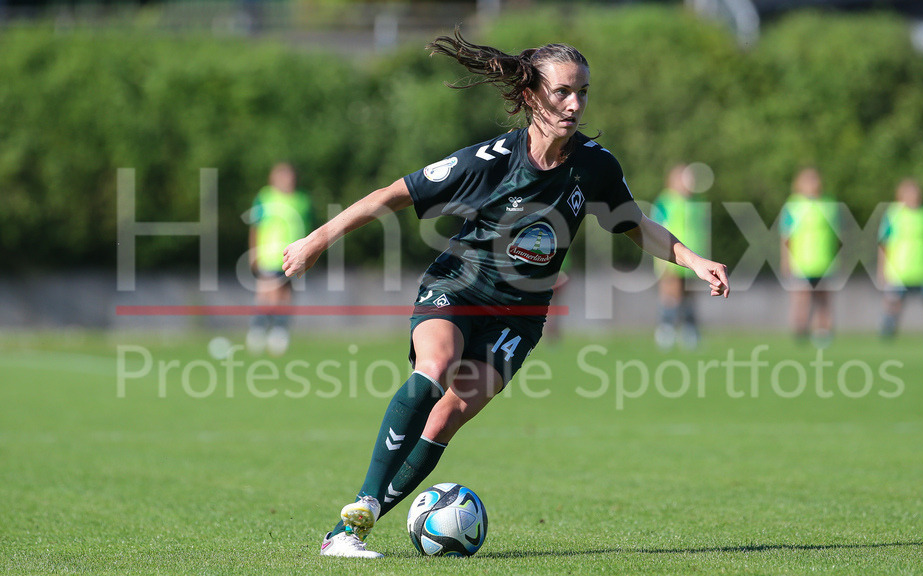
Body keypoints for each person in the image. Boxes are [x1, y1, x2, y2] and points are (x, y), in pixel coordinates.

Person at [282, 31, 730, 559]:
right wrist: (314, 241)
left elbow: (636, 226)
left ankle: (357, 524)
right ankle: (355, 512)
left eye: (583, 92)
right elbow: (392, 195)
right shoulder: (489, 160)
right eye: (563, 91)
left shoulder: (595, 166)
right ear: (531, 95)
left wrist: (694, 260)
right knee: (435, 367)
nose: (575, 104)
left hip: (519, 318)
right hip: (458, 287)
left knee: (449, 416)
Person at [247, 162, 313, 356]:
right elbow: (255, 226)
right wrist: (254, 252)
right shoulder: (265, 197)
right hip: (269, 254)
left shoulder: (303, 200)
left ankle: (279, 332)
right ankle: (258, 331)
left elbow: (309, 228)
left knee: (286, 296)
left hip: (294, 255)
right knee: (268, 294)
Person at [878, 178, 923, 340]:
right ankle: (887, 338)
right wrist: (881, 269)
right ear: (901, 195)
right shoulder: (893, 214)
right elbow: (884, 244)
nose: (913, 196)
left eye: (915, 192)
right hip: (899, 271)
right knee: (893, 306)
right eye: (909, 193)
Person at [651, 164, 711, 350]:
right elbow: (654, 228)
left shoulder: (697, 201)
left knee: (689, 294)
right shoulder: (666, 201)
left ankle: (690, 330)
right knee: (671, 293)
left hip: (694, 256)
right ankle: (666, 329)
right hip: (670, 255)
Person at [780, 167, 840, 348]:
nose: (813, 184)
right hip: (801, 262)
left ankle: (822, 334)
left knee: (823, 300)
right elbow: (786, 237)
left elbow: (837, 235)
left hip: (824, 261)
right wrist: (786, 261)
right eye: (808, 181)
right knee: (801, 299)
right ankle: (800, 333)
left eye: (815, 180)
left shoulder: (829, 204)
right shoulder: (793, 206)